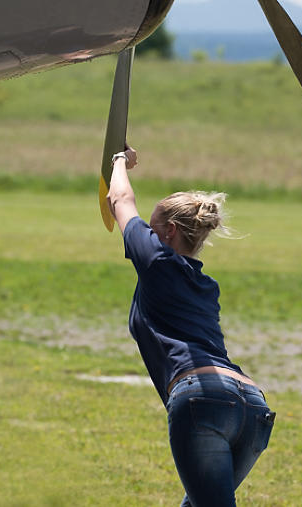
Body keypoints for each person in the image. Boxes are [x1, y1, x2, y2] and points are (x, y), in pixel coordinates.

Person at [106, 146, 276, 506]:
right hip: (252, 407)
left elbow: (119, 198)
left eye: (149, 228)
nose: (140, 235)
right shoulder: (205, 286)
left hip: (203, 401)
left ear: (168, 232)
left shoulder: (154, 258)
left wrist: (118, 160)